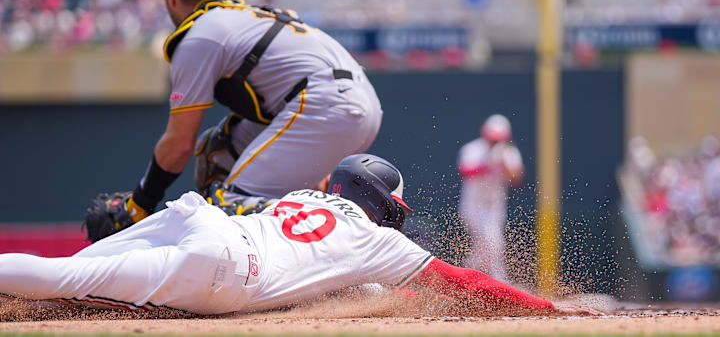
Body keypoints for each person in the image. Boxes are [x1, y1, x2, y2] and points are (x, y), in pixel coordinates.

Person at [0, 154, 595, 316]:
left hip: (199, 216)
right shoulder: (376, 241)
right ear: (377, 201)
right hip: (226, 269)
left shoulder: (301, 198)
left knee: (64, 273)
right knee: (63, 284)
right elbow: (463, 281)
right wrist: (550, 309)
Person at [93, 0, 382, 238]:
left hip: (322, 104)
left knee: (227, 206)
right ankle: (341, 227)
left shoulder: (198, 36)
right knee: (218, 152)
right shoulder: (241, 15)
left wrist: (139, 204)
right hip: (356, 100)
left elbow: (179, 145)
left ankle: (346, 233)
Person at [457, 114, 524, 282]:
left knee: (483, 249)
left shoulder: (509, 153)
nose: (495, 143)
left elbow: (517, 179)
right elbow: (465, 172)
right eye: (493, 139)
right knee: (493, 243)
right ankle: (501, 282)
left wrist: (505, 165)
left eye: (498, 139)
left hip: (495, 207)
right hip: (473, 206)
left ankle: (463, 279)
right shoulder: (473, 149)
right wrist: (488, 164)